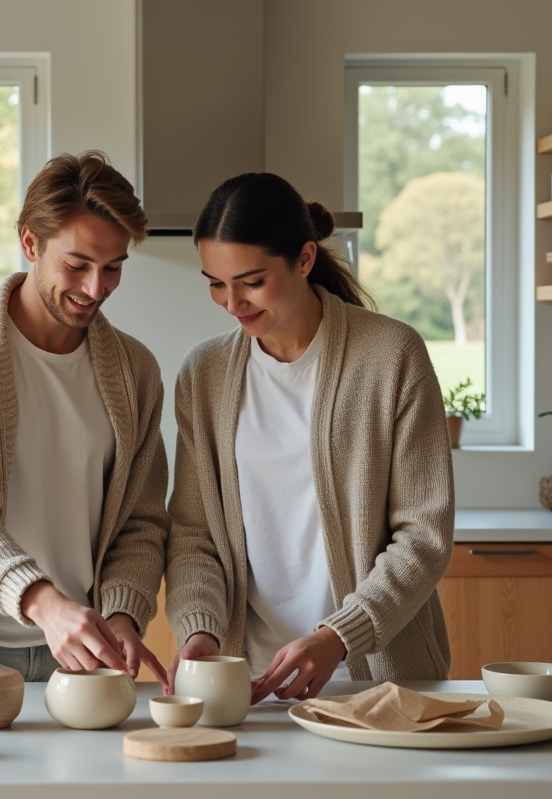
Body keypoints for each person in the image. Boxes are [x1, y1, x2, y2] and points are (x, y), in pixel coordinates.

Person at [165, 172, 454, 704]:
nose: (232, 303)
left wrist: (338, 637)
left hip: (379, 683)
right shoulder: (204, 375)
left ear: (303, 259)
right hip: (246, 688)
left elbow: (424, 535)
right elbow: (193, 533)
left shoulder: (392, 357)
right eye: (215, 282)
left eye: (251, 281)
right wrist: (200, 627)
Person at [0, 151, 170, 689]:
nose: (97, 288)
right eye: (77, 264)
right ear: (30, 244)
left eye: (113, 267)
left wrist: (120, 615)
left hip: (85, 662)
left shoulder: (134, 370)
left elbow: (140, 522)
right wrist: (44, 605)